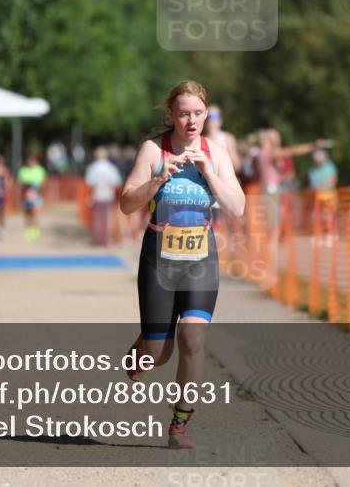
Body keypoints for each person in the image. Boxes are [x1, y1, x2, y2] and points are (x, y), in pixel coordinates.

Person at [119, 80, 244, 449]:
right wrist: (159, 178)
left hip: (200, 259)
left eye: (199, 113)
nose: (192, 121)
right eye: (185, 113)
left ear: (206, 114)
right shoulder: (153, 150)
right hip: (159, 258)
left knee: (194, 337)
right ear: (172, 114)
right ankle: (146, 344)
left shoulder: (216, 153)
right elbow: (127, 204)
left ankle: (180, 425)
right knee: (158, 356)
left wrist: (209, 172)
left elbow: (238, 208)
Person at [84, 146, 123, 246]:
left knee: (97, 218)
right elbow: (116, 182)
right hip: (108, 196)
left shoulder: (93, 167)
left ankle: (97, 238)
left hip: (97, 195)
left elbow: (89, 183)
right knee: (107, 217)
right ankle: (106, 238)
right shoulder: (111, 167)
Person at [308, 147, 338, 248]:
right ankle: (319, 236)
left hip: (329, 195)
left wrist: (324, 186)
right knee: (317, 216)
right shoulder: (312, 169)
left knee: (329, 216)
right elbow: (313, 183)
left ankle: (330, 235)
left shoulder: (330, 166)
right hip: (317, 197)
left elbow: (333, 180)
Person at [204, 105, 241, 172]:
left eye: (214, 116)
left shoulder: (227, 138)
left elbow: (237, 166)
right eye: (208, 116)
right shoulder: (199, 140)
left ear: (220, 120)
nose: (210, 120)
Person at [18, 154, 47, 240]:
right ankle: (28, 230)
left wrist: (39, 188)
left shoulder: (40, 170)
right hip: (26, 196)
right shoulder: (23, 170)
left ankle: (35, 229)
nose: (31, 163)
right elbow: (21, 183)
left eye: (33, 161)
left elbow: (44, 183)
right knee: (27, 214)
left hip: (37, 196)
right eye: (30, 161)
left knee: (35, 212)